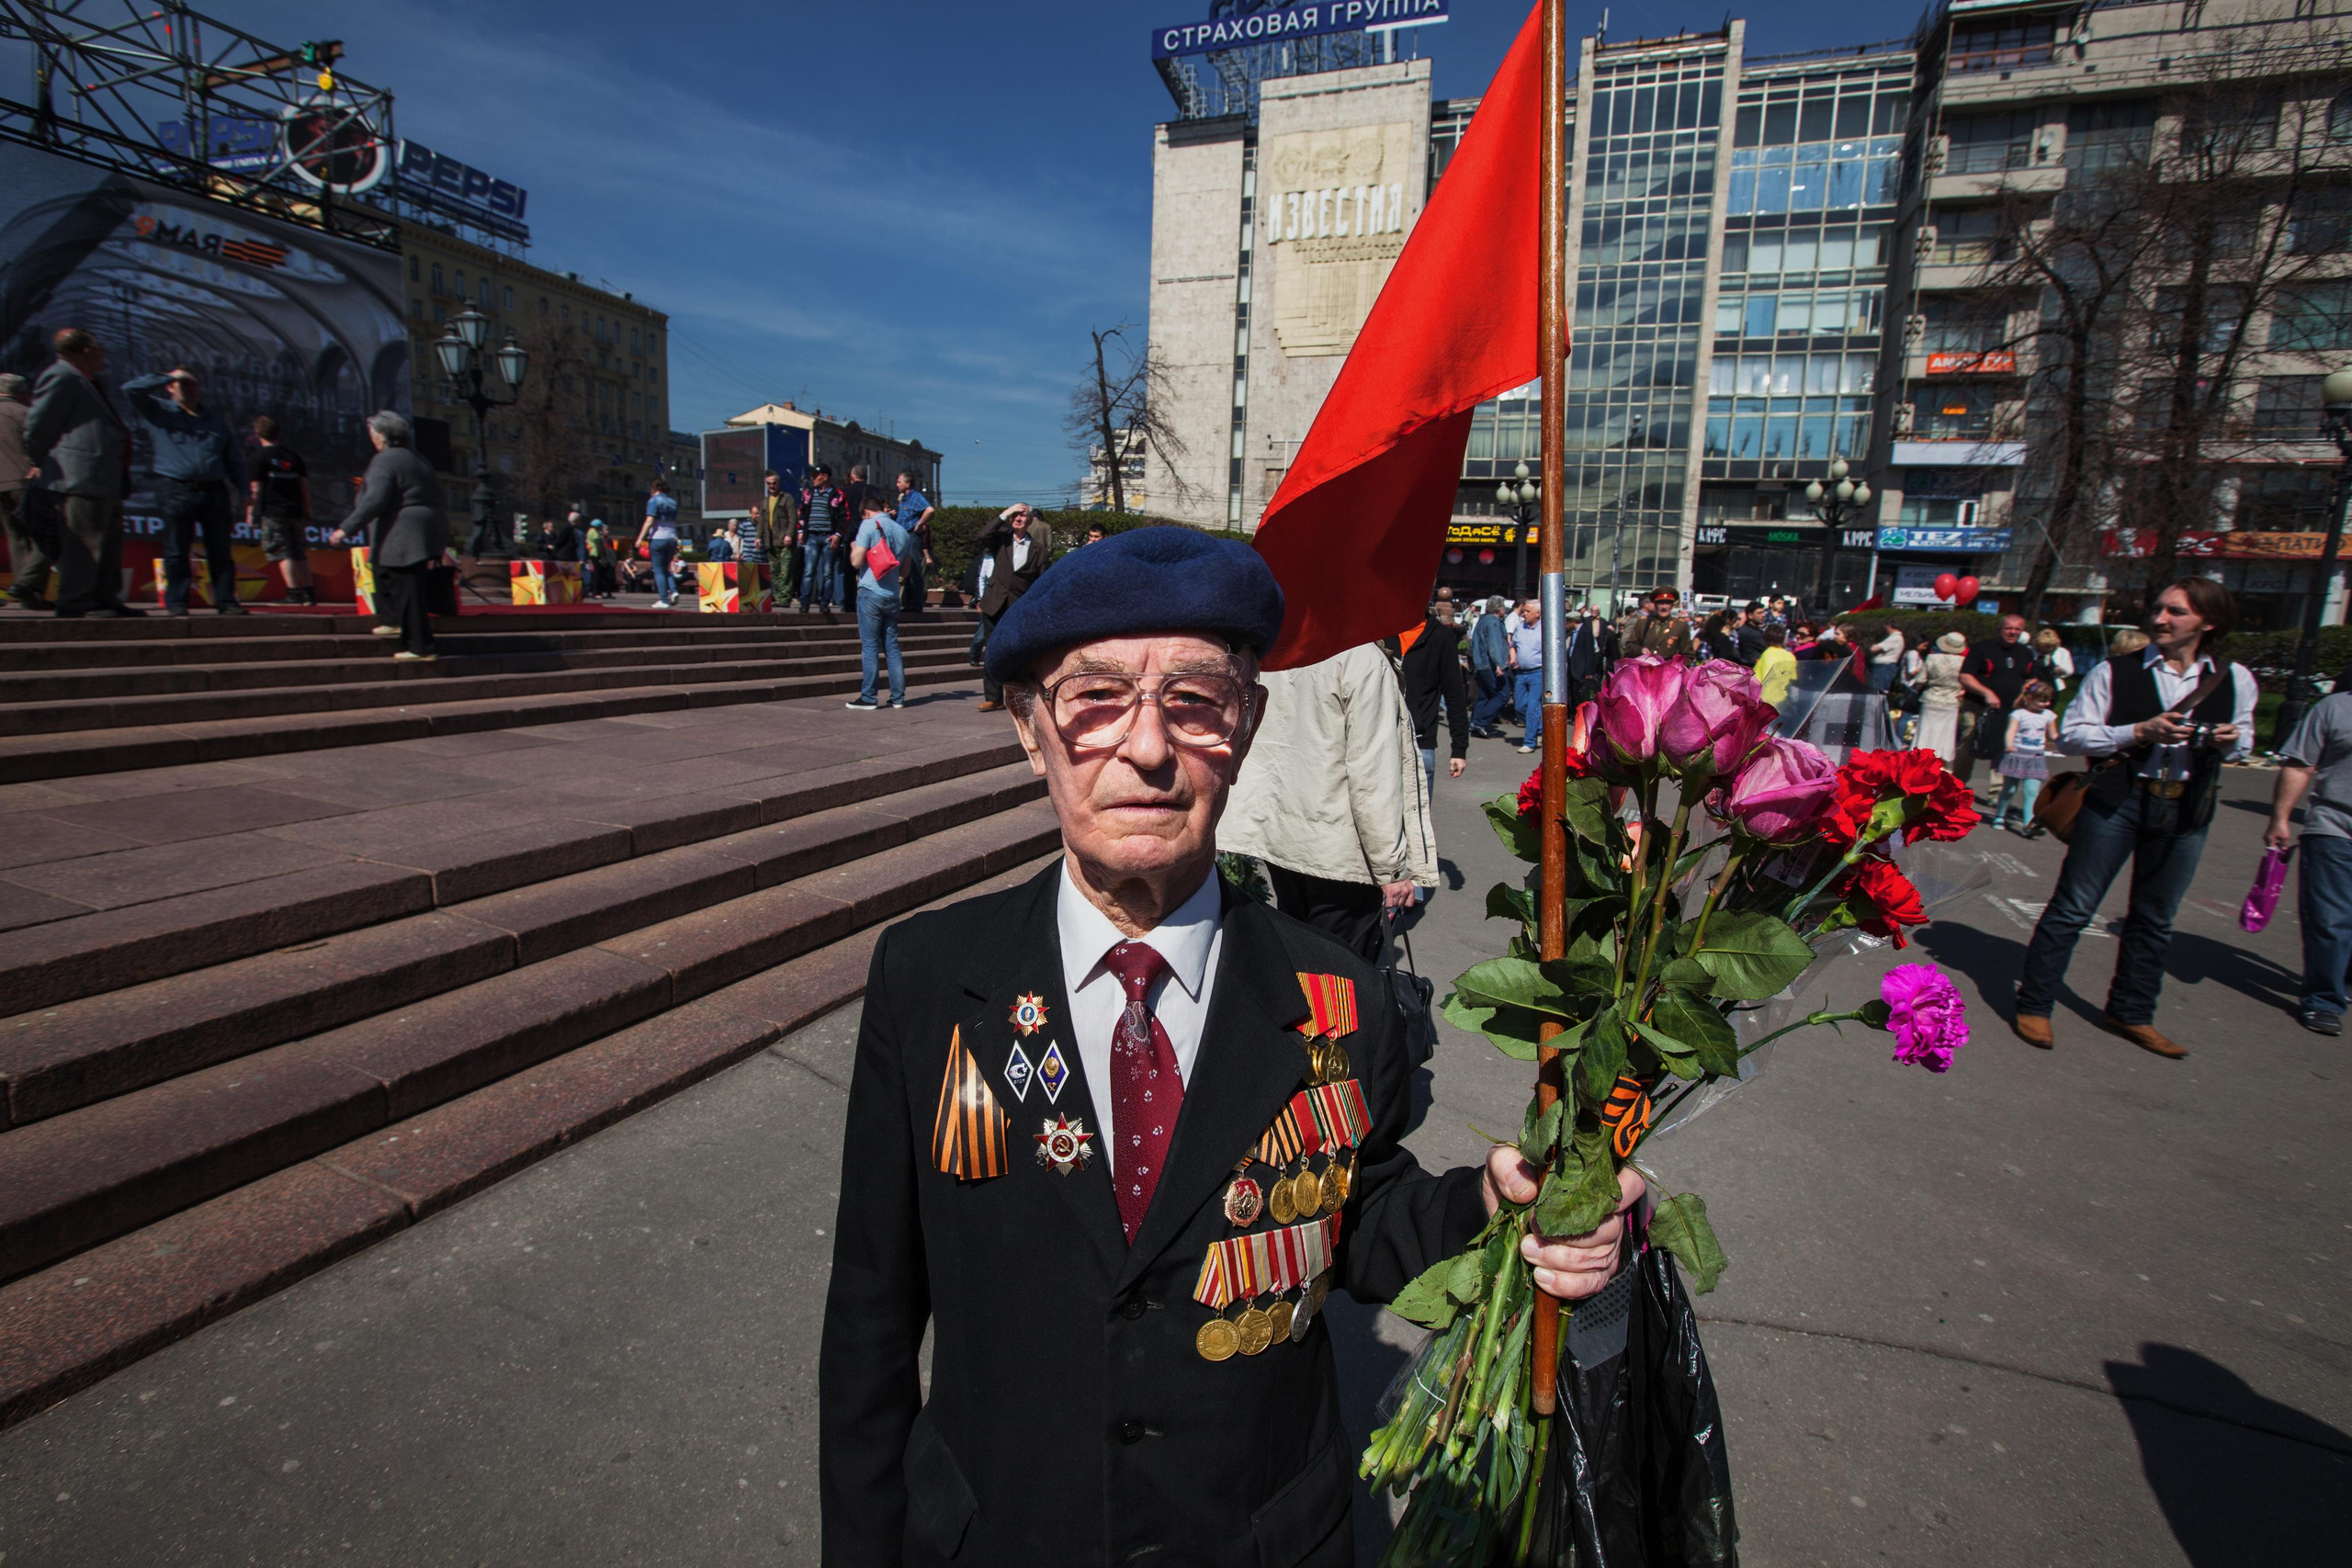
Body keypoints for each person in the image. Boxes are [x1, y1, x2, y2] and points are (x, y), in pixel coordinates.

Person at [820, 525, 1641, 1566]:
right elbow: (869, 1321)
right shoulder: (930, 977)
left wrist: (1496, 1202)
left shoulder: (1334, 992)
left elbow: (1351, 1210)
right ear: (1031, 731)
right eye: (1095, 699)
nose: (1149, 747)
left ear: (1245, 729)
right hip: (998, 1532)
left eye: (1195, 701)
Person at [2012, 579, 2257, 1058]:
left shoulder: (2234, 677)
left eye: (2176, 612)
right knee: (2073, 907)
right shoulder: (2116, 672)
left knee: (2155, 917)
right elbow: (2075, 738)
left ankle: (2131, 1011)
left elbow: (2245, 739)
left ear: (2208, 623)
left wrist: (2231, 741)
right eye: (2159, 608)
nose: (2160, 619)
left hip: (2187, 805)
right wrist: (2140, 730)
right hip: (2120, 801)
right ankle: (2036, 1002)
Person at [24, 328, 140, 618]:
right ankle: (76, 600)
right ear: (86, 352)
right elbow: (38, 427)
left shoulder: (86, 381)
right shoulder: (61, 376)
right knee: (84, 541)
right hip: (79, 475)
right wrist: (37, 461)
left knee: (110, 541)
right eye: (100, 350)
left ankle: (104, 596)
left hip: (103, 475)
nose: (103, 356)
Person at [124, 366, 247, 616]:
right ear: (171, 387)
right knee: (176, 549)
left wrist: (244, 490)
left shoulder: (215, 420)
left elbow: (232, 457)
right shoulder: (158, 411)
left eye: (194, 385)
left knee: (221, 550)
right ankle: (178, 601)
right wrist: (169, 375)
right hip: (176, 488)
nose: (190, 390)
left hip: (214, 489)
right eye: (184, 384)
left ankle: (226, 600)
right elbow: (130, 390)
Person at [2267, 685, 2352, 1036]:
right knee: (2330, 919)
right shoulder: (2334, 707)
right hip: (2334, 828)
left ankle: (2343, 978)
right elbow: (2300, 765)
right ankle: (2323, 999)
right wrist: (2280, 818)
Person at [329, 412, 445, 660]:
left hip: (402, 529)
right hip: (424, 525)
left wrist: (346, 528)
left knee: (406, 585)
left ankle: (420, 646)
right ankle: (392, 620)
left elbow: (375, 499)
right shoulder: (418, 458)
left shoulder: (385, 460)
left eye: (372, 432)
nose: (370, 437)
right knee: (385, 572)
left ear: (381, 435)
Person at [976, 502, 1050, 713]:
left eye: (1022, 515)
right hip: (994, 603)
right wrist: (1004, 513)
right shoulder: (1000, 540)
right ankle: (993, 697)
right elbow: (982, 535)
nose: (1018, 518)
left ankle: (1018, 697)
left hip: (1018, 607)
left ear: (1030, 520)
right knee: (991, 650)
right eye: (1015, 515)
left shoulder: (1039, 550)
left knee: (1016, 652)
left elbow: (1041, 582)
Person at [1400, 598, 1470, 805]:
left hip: (1421, 741)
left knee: (1417, 820)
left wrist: (1459, 749)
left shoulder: (1440, 637)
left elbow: (1454, 694)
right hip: (1379, 738)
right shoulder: (1381, 634)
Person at [1957, 613, 2039, 790]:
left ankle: (1996, 791)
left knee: (2003, 747)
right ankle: (1957, 785)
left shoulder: (2025, 653)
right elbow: (1965, 676)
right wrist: (1986, 692)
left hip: (2010, 709)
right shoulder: (1982, 648)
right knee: (1969, 742)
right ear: (2000, 629)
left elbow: (2031, 679)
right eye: (2009, 628)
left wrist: (2025, 694)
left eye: (2017, 629)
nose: (2012, 632)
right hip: (1978, 707)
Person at [245, 415, 317, 605]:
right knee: (299, 552)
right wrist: (307, 510)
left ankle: (294, 594)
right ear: (278, 434)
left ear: (258, 434)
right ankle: (310, 594)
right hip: (295, 512)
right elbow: (304, 488)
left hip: (273, 513)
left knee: (283, 552)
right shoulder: (294, 457)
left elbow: (256, 489)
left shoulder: (258, 458)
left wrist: (251, 512)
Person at [0, 373, 50, 609]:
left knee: (16, 538)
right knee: (44, 536)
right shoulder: (24, 413)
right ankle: (28, 588)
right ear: (22, 394)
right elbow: (40, 445)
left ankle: (26, 591)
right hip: (24, 482)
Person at [1991, 680, 2058, 832]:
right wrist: (2009, 744)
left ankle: (2029, 824)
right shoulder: (2019, 714)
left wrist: (2065, 740)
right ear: (2028, 698)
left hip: (2036, 757)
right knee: (2009, 789)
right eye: (2041, 701)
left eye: (2047, 701)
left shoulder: (2049, 715)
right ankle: (2000, 815)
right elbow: (2010, 730)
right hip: (2017, 754)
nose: (2045, 704)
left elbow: (2053, 735)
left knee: (2032, 792)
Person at [1915, 631, 1969, 762]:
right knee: (1946, 733)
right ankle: (1941, 760)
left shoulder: (1932, 658)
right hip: (1951, 700)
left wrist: (1919, 688)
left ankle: (1920, 758)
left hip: (1931, 698)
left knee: (1926, 731)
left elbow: (1920, 680)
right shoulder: (1964, 662)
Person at [798, 464, 845, 613]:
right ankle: (804, 602)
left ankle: (824, 603)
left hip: (828, 537)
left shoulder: (837, 494)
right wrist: (800, 530)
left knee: (827, 572)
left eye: (815, 476)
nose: (812, 479)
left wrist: (838, 534)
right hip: (812, 536)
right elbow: (803, 512)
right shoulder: (809, 493)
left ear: (825, 477)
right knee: (808, 570)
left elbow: (844, 517)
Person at [1504, 598, 1545, 754]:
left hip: (1537, 672)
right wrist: (1513, 657)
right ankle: (1539, 729)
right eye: (1524, 611)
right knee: (1519, 706)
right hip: (1521, 673)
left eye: (1528, 611)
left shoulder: (1544, 629)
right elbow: (1513, 645)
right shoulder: (1521, 628)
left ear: (1538, 613)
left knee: (1533, 707)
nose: (1524, 614)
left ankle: (1529, 742)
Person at [634, 478, 683, 607]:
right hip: (671, 538)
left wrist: (640, 538)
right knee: (666, 569)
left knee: (658, 570)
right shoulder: (673, 502)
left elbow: (649, 521)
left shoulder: (654, 501)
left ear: (654, 489)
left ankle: (664, 599)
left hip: (658, 538)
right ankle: (673, 591)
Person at [1467, 594, 1510, 737]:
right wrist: (1499, 664)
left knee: (1484, 695)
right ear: (1499, 608)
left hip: (1481, 664)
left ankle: (1474, 723)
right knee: (1503, 695)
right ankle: (1479, 722)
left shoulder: (1482, 620)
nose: (1505, 609)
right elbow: (1495, 645)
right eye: (1503, 606)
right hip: (1490, 665)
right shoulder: (1493, 622)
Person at [894, 468, 936, 615]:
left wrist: (919, 524)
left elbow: (930, 509)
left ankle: (915, 603)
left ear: (907, 483)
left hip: (911, 535)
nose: (896, 484)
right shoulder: (904, 498)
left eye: (899, 482)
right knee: (905, 569)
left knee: (913, 568)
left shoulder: (915, 496)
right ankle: (908, 600)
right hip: (903, 535)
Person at [752, 471, 797, 602]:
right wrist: (758, 537)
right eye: (769, 484)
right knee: (774, 572)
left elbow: (793, 519)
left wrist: (789, 535)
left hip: (785, 542)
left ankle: (785, 598)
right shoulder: (765, 502)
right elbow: (761, 521)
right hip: (770, 542)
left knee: (785, 571)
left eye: (774, 483)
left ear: (779, 483)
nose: (772, 486)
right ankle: (778, 598)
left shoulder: (787, 499)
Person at [1620, 587, 1692, 660]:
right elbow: (1629, 645)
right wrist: (1641, 650)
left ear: (1672, 606)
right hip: (1645, 666)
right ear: (1655, 605)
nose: (1664, 607)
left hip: (1667, 669)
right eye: (1660, 603)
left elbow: (1687, 654)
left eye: (1667, 603)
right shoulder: (1643, 622)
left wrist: (1678, 669)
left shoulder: (1680, 625)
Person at [1754, 624, 1799, 707]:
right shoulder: (1790, 655)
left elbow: (1767, 678)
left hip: (1767, 700)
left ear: (1765, 639)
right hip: (1784, 700)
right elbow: (1793, 679)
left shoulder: (1768, 653)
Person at [2033, 626, 2076, 693]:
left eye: (2050, 646)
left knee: (2048, 700)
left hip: (2053, 685)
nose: (2047, 649)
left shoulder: (2063, 652)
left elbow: (2069, 671)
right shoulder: (2030, 651)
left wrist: (2061, 670)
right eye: (2044, 646)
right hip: (2034, 684)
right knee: (2031, 697)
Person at [1870, 621, 1905, 693]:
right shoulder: (1896, 637)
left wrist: (1873, 646)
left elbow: (1874, 649)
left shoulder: (1895, 637)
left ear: (1889, 626)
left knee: (1879, 691)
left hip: (1884, 667)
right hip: (1884, 667)